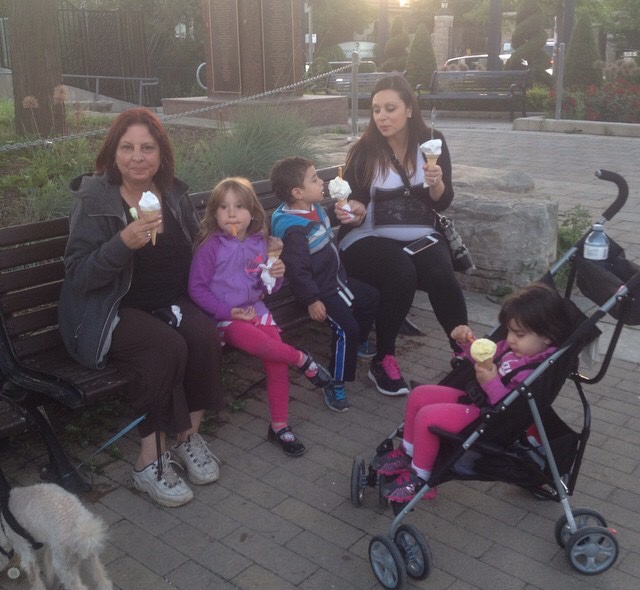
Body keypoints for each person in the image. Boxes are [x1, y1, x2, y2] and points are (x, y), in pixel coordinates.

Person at [59, 108, 224, 508]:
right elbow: (79, 275)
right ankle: (149, 462)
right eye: (127, 147)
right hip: (111, 310)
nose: (137, 157)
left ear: (161, 154)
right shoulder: (95, 200)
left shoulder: (172, 195)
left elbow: (198, 248)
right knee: (165, 347)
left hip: (168, 302)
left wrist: (253, 253)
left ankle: (187, 438)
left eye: (147, 148)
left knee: (204, 335)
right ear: (113, 153)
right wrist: (121, 244)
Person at [372, 282, 573, 503]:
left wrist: (491, 381)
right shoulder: (511, 348)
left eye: (519, 334)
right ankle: (408, 452)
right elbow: (482, 358)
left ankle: (421, 478)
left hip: (487, 416)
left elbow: (509, 408)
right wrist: (467, 343)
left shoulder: (534, 371)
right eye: (509, 331)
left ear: (546, 336)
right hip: (474, 399)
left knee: (427, 417)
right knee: (419, 395)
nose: (511, 339)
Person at [335, 74, 468, 397]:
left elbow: (442, 201)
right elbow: (355, 201)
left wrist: (436, 182)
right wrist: (353, 209)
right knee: (401, 270)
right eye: (376, 109)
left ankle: (464, 352)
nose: (382, 117)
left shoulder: (432, 143)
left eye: (390, 108)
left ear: (409, 109)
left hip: (420, 234)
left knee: (440, 271)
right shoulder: (364, 150)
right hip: (366, 237)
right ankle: (383, 360)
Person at [188, 177, 332, 457]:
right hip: (226, 316)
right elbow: (197, 288)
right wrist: (226, 310)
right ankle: (302, 359)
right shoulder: (210, 247)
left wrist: (276, 275)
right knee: (265, 346)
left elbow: (267, 287)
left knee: (275, 360)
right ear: (214, 213)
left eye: (239, 207)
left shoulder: (259, 243)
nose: (232, 214)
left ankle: (279, 426)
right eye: (224, 207)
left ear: (252, 212)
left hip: (257, 309)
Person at [269, 157, 379, 412]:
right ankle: (334, 381)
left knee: (371, 297)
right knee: (346, 329)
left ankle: (359, 343)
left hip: (336, 279)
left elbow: (322, 221)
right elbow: (297, 271)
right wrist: (311, 300)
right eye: (315, 179)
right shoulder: (294, 229)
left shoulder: (312, 208)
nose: (322, 183)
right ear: (297, 192)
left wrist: (340, 213)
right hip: (320, 291)